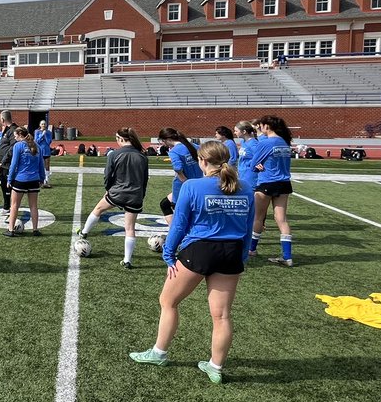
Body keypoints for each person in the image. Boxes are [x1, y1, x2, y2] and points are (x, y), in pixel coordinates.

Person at [130, 140, 254, 384]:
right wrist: (242, 255)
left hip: (199, 250)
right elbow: (248, 228)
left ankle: (159, 352)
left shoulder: (192, 186)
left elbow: (179, 224)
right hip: (231, 252)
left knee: (168, 301)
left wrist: (168, 251)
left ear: (202, 161)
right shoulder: (246, 187)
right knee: (222, 316)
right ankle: (216, 366)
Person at [78, 128, 150, 268]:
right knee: (130, 227)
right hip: (135, 195)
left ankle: (84, 232)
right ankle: (127, 260)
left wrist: (107, 190)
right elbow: (145, 179)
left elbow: (108, 176)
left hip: (117, 192)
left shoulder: (114, 154)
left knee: (98, 209)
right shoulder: (142, 156)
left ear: (121, 139)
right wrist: (141, 194)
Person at [249, 114, 295, 267]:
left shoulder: (267, 143)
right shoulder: (284, 142)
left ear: (267, 126)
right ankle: (287, 256)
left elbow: (253, 165)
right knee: (281, 219)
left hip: (267, 182)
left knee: (258, 217)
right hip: (284, 183)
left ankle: (252, 249)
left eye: (261, 126)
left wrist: (257, 165)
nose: (260, 128)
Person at [157, 127, 202, 226]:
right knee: (165, 204)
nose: (163, 144)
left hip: (182, 187)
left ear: (167, 139)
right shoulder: (194, 146)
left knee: (181, 216)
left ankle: (177, 234)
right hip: (199, 183)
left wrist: (184, 180)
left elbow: (178, 168)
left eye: (162, 141)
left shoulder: (174, 151)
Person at [5, 126, 44, 236]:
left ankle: (11, 230)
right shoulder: (37, 146)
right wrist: (42, 178)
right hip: (34, 179)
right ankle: (35, 230)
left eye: (15, 135)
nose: (15, 138)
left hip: (20, 180)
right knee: (33, 206)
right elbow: (41, 165)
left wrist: (9, 179)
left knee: (14, 205)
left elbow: (13, 165)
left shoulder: (18, 146)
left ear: (20, 135)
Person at [0, 110, 15, 213]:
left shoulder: (13, 130)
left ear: (2, 119)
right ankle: (7, 206)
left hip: (8, 165)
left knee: (8, 187)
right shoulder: (7, 130)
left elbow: (13, 147)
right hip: (3, 164)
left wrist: (4, 160)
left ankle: (10, 207)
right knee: (3, 185)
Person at [234, 121, 259, 193]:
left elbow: (259, 158)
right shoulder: (243, 142)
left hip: (250, 176)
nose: (235, 133)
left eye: (236, 131)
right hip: (242, 175)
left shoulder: (253, 144)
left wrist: (250, 164)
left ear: (244, 131)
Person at [34, 119, 54, 187]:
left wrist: (45, 135)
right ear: (40, 125)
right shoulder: (37, 131)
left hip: (46, 151)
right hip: (39, 151)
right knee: (40, 165)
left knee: (47, 166)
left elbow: (49, 142)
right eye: (42, 124)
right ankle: (40, 179)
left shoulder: (49, 132)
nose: (43, 125)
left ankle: (47, 179)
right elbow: (36, 141)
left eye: (44, 124)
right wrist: (42, 135)